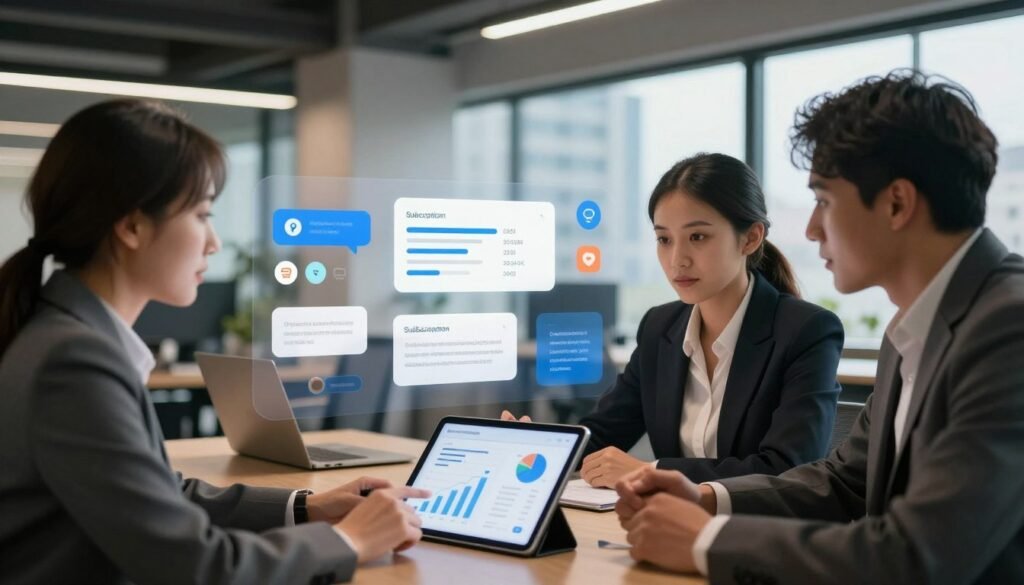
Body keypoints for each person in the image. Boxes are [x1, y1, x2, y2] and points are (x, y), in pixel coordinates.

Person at [614, 70, 1024, 584]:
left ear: (897, 203)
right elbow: (842, 482)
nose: (810, 228)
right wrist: (704, 497)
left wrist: (705, 541)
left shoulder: (1009, 327)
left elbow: (919, 555)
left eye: (824, 200)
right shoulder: (912, 327)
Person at [0, 99, 429, 585]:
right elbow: (196, 568)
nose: (214, 242)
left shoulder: (65, 335)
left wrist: (308, 507)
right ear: (132, 225)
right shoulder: (73, 360)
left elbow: (159, 496)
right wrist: (350, 541)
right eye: (202, 214)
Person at [505, 152, 844, 487]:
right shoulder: (660, 328)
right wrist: (537, 448)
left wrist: (652, 472)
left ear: (751, 238)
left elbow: (787, 470)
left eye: (697, 237)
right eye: (664, 239)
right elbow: (603, 435)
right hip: (670, 528)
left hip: (757, 535)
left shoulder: (806, 331)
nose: (676, 259)